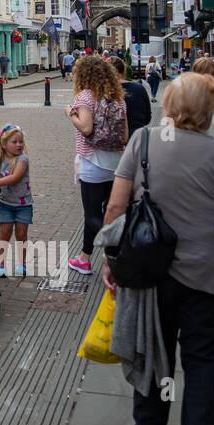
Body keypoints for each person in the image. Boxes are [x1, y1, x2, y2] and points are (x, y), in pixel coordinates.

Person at [102, 72, 214, 425]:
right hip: (210, 277)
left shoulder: (142, 141)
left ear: (169, 105)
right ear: (210, 111)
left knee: (154, 359)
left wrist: (110, 261)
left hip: (151, 273)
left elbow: (114, 208)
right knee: (202, 360)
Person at [65, 54, 128, 276]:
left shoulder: (85, 97)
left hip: (92, 162)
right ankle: (84, 258)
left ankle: (118, 250)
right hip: (116, 162)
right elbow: (126, 134)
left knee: (92, 214)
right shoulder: (117, 97)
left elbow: (86, 128)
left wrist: (70, 114)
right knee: (107, 211)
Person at [0, 124, 32, 278]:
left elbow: (15, 178)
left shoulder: (22, 159)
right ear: (4, 144)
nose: (19, 145)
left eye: (21, 142)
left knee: (21, 234)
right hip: (5, 204)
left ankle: (21, 263)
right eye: (15, 142)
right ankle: (0, 263)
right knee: (4, 234)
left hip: (23, 205)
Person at [111, 55, 151, 136]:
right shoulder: (139, 89)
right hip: (138, 136)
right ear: (124, 71)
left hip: (113, 139)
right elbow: (147, 117)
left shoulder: (105, 92)